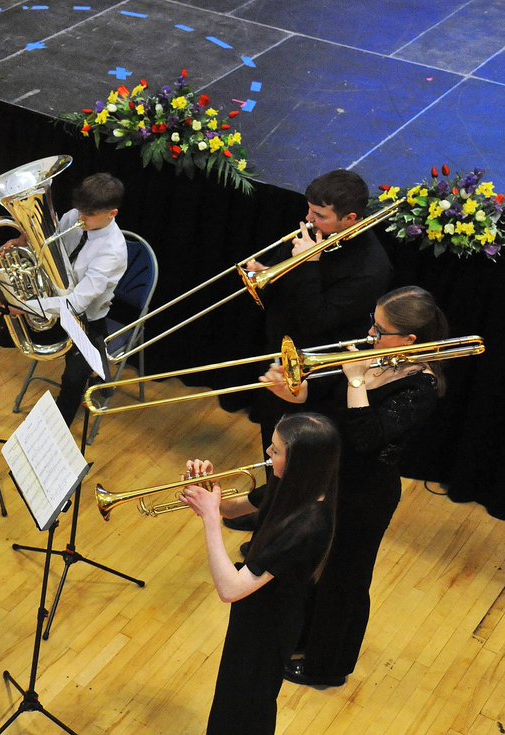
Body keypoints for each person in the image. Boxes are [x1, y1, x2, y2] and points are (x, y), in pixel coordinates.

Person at [258, 285, 447, 688]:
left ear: (410, 340)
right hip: (332, 478)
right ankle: (303, 639)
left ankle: (327, 666)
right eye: (373, 325)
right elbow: (324, 402)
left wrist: (357, 380)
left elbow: (366, 437)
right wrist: (294, 392)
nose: (370, 336)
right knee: (314, 569)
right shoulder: (373, 358)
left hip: (366, 494)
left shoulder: (421, 386)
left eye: (380, 331)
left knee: (345, 580)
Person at [228, 169, 392, 532]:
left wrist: (308, 265)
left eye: (320, 215)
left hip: (312, 373)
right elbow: (294, 297)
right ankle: (271, 509)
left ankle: (281, 529)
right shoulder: (318, 234)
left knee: (296, 455)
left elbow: (317, 319)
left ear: (350, 218)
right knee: (273, 445)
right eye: (310, 210)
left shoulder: (371, 268)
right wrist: (268, 273)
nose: (308, 220)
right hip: (280, 353)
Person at [181, 412, 339, 735]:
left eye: (275, 451)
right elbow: (235, 508)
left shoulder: (306, 526)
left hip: (269, 625)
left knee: (247, 708)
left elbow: (230, 588)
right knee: (231, 701)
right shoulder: (293, 485)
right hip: (254, 612)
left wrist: (210, 519)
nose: (267, 454)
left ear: (299, 461)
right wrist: (210, 490)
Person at [0, 172, 128, 427]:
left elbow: (75, 304)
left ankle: (53, 444)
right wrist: (22, 242)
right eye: (79, 211)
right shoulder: (75, 216)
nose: (80, 219)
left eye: (88, 215)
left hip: (84, 323)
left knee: (73, 379)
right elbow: (47, 250)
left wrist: (24, 306)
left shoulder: (112, 252)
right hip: (48, 307)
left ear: (111, 214)